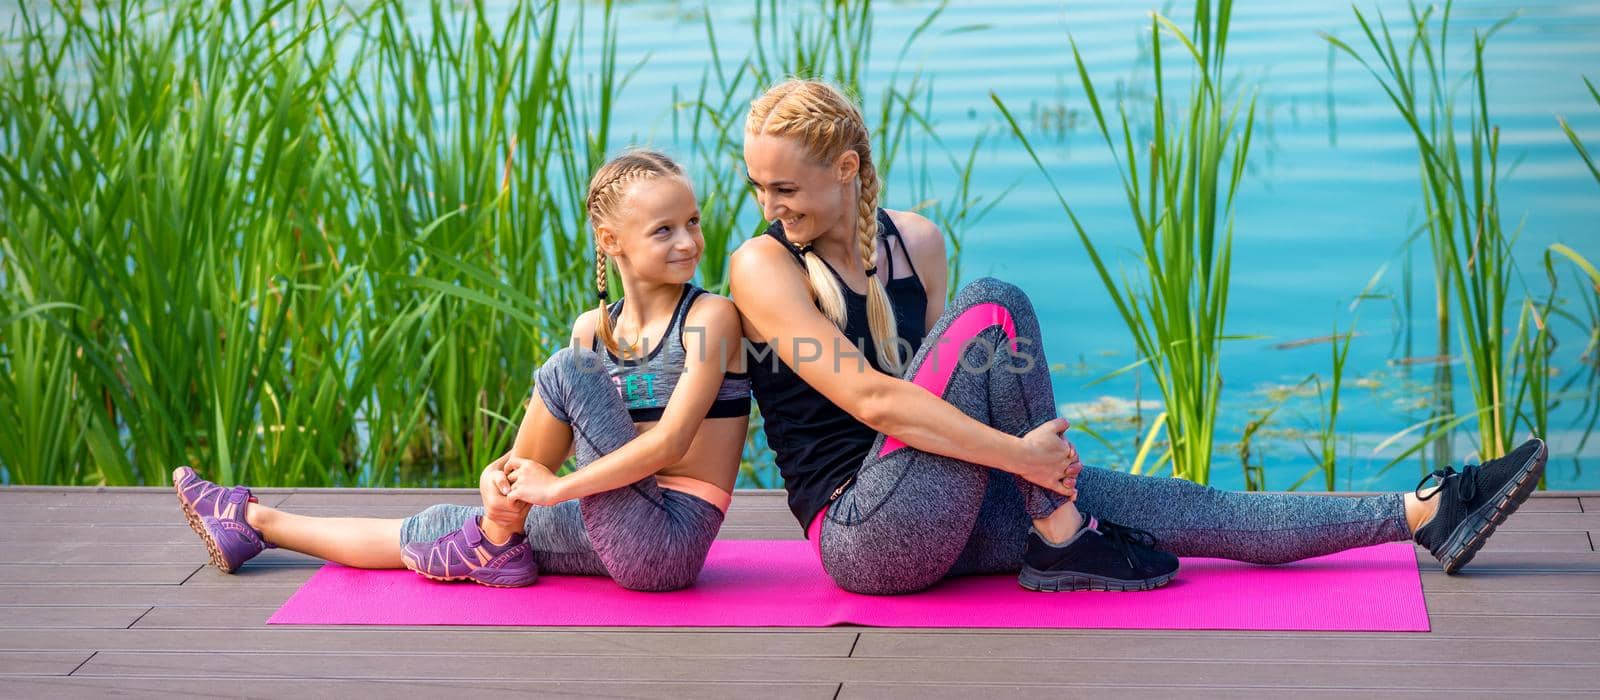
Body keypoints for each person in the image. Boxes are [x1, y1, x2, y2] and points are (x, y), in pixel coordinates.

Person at [728, 77, 1547, 595]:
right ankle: (1059, 536)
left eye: (786, 185)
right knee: (995, 303)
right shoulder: (763, 267)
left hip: (948, 503)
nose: (770, 205)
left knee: (1189, 507)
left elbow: (949, 391)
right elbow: (876, 401)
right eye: (760, 186)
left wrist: (1019, 464)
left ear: (845, 168)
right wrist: (1024, 461)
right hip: (863, 536)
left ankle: (1425, 511)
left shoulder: (917, 243)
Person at [174, 150, 751, 591]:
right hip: (610, 521)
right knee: (444, 523)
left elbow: (672, 442)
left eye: (693, 222)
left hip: (669, 538)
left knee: (570, 370)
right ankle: (251, 520)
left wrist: (554, 489)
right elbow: (565, 457)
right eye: (665, 229)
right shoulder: (591, 327)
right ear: (610, 240)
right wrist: (500, 476)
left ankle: (498, 534)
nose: (689, 242)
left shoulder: (711, 317)